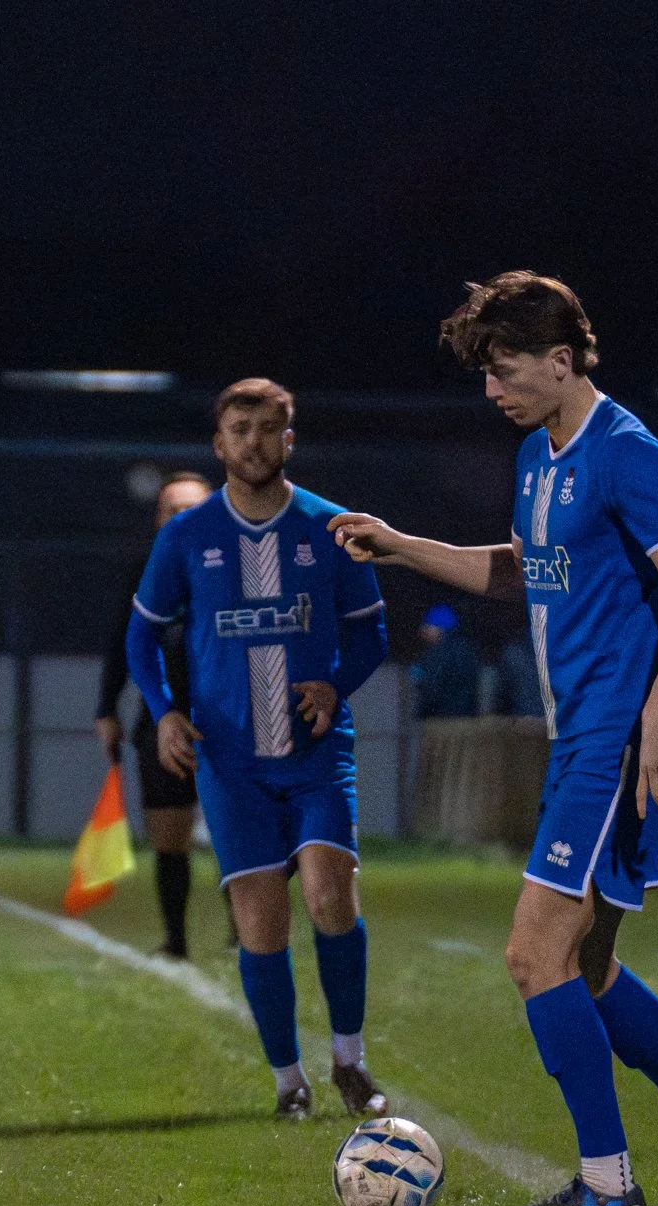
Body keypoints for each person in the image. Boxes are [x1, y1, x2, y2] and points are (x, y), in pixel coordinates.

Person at [331, 271, 658, 1206]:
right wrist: (400, 543)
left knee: (535, 954)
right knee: (589, 965)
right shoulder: (542, 454)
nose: (493, 390)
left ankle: (607, 1184)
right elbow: (523, 572)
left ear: (562, 361)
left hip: (620, 737)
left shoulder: (625, 450)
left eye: (507, 369)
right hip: (591, 735)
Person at [127, 378, 391, 1119]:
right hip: (230, 761)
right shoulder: (186, 536)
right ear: (219, 445)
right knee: (261, 918)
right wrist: (165, 712)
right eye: (239, 429)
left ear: (289, 440)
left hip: (315, 753)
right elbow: (142, 633)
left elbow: (372, 630)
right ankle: (288, 1081)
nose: (253, 441)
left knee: (330, 891)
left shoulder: (331, 527)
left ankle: (350, 1061)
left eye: (268, 428)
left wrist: (336, 685)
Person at [97, 473, 213, 959]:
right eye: (171, 507)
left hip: (231, 722)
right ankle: (176, 939)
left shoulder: (238, 568)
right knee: (169, 835)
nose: (182, 516)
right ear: (158, 517)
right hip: (163, 720)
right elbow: (125, 645)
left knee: (241, 834)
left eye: (193, 507)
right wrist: (106, 708)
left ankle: (246, 934)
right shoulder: (146, 573)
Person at [411, 604, 479, 718]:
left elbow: (431, 690)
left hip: (441, 719)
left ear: (439, 628)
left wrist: (420, 715)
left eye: (428, 627)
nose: (423, 632)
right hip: (466, 718)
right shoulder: (467, 649)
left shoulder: (437, 653)